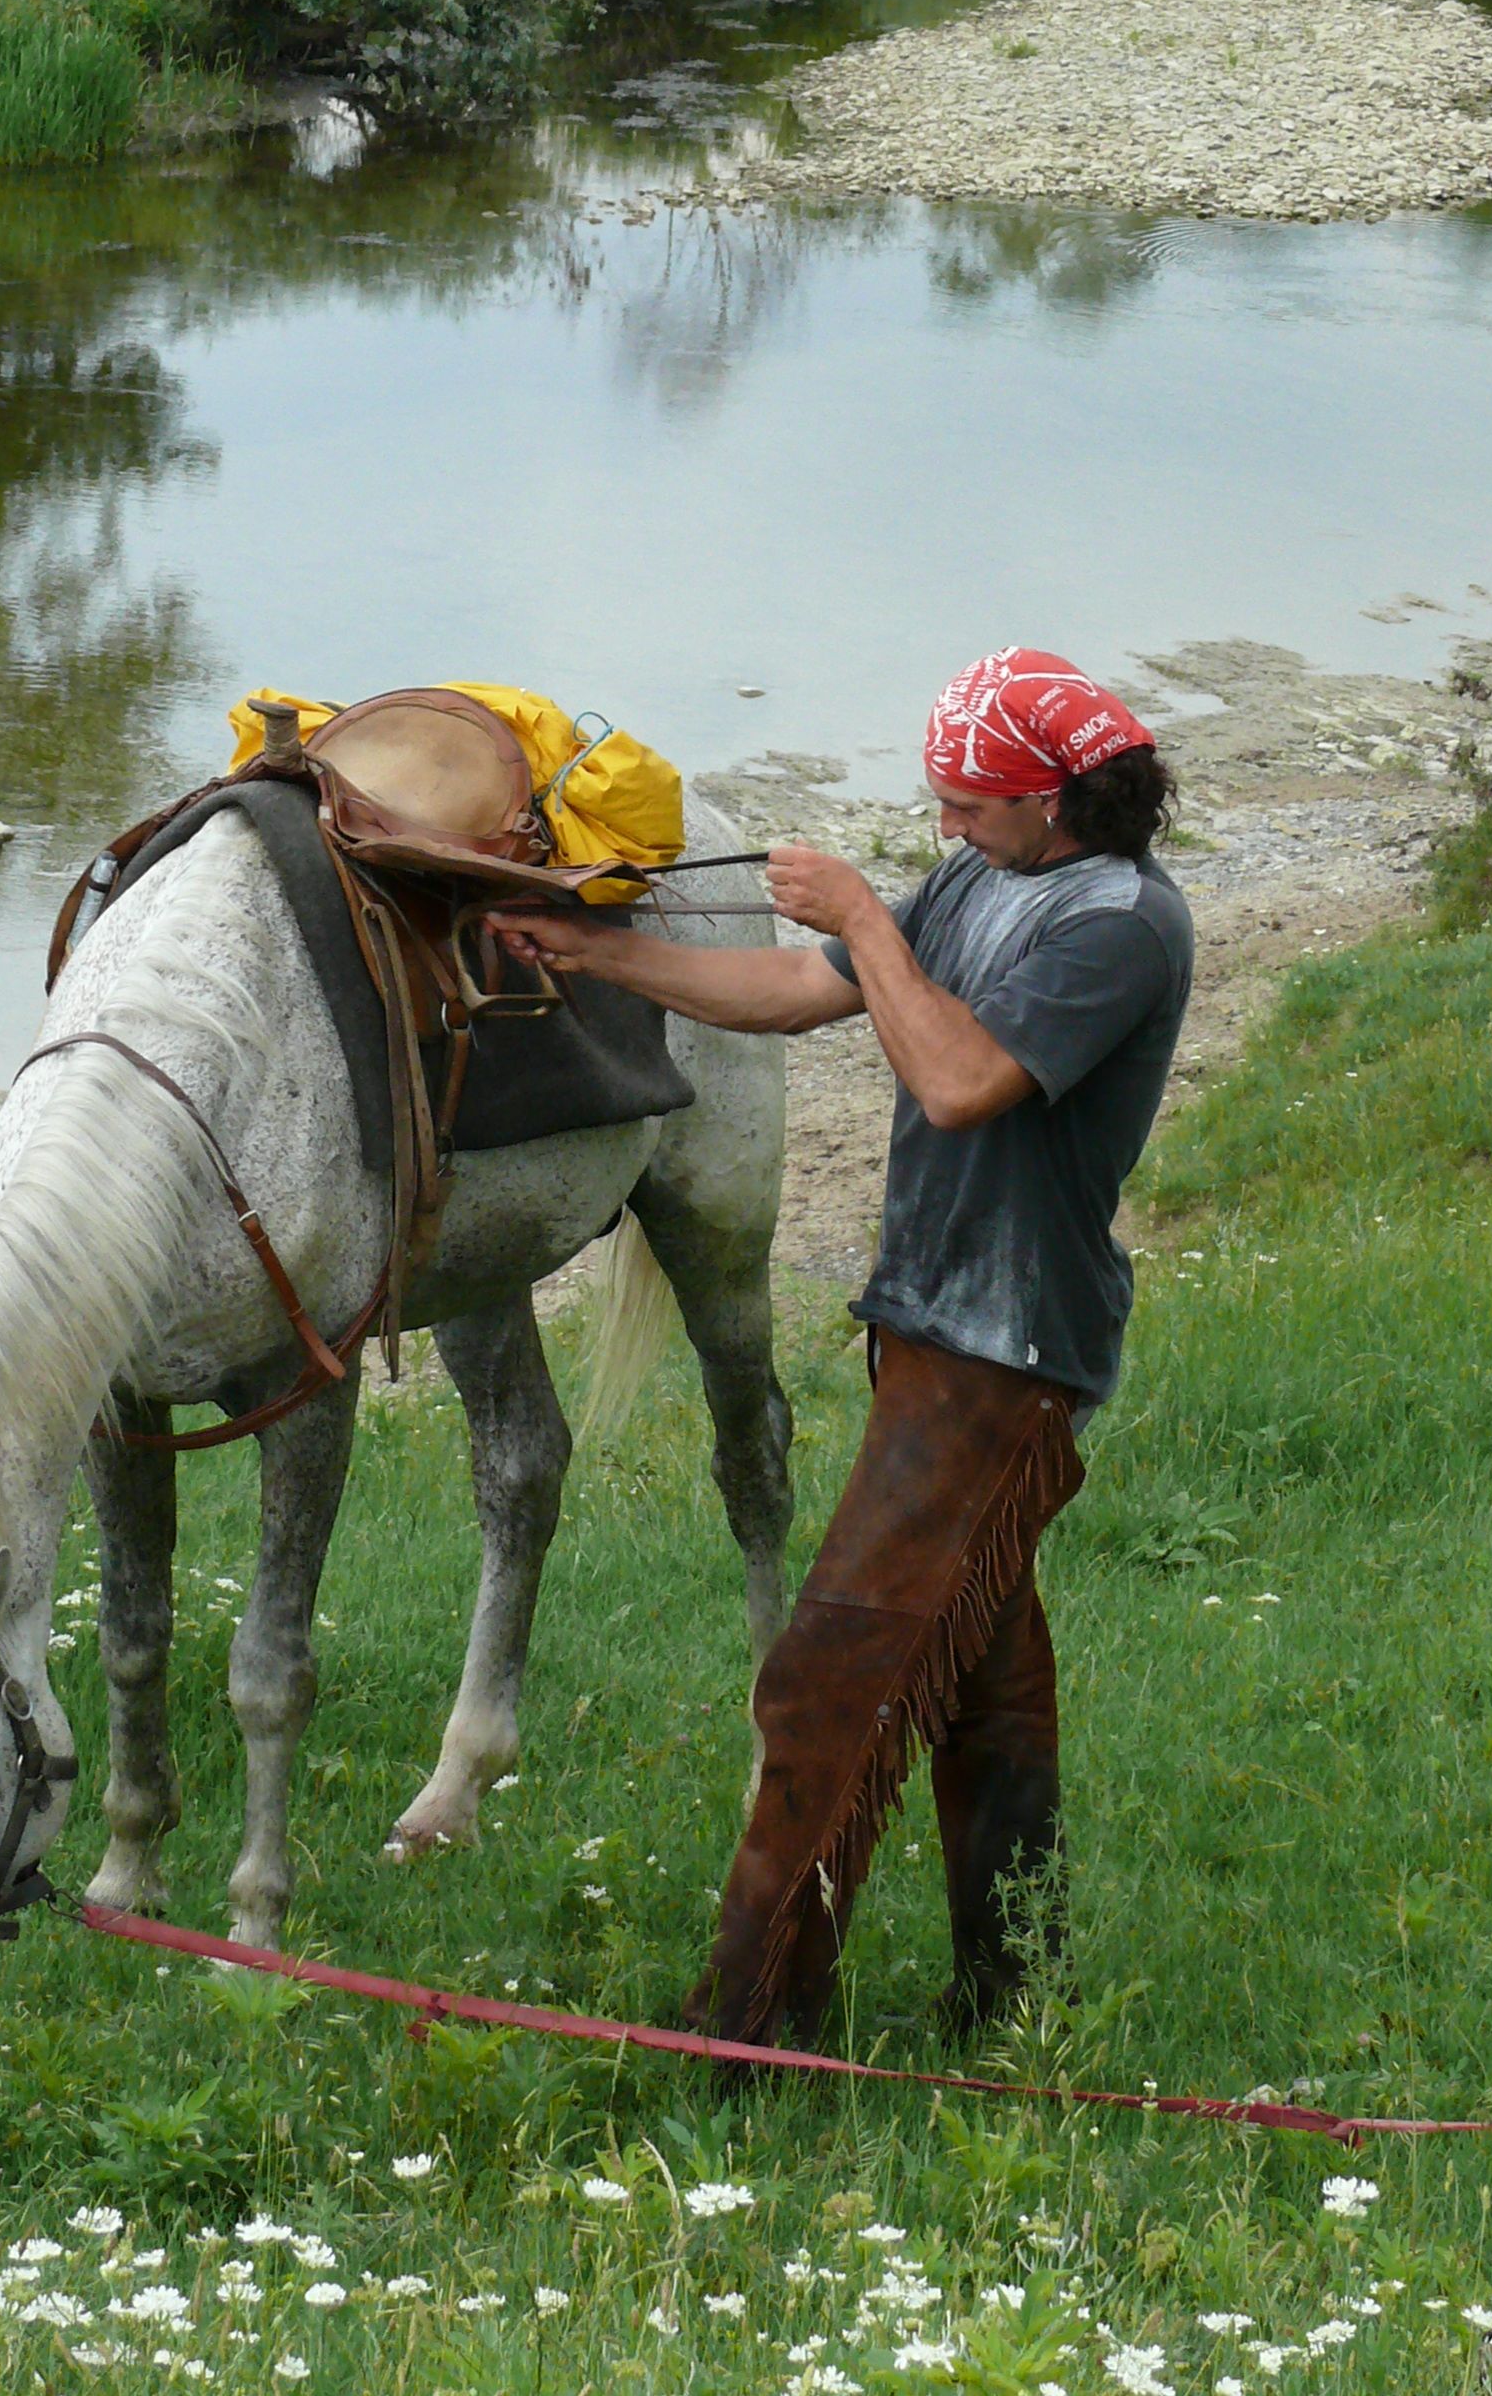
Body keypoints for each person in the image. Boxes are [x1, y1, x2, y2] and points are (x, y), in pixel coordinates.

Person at [489, 646, 1194, 2045]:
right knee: (984, 1676)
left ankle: (751, 2032)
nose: (949, 829)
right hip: (931, 1332)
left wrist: (873, 921)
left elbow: (958, 1081)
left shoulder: (1120, 924)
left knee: (824, 1684)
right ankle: (1016, 1991)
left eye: (970, 807)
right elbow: (802, 994)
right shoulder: (986, 879)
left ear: (1056, 802)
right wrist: (601, 954)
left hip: (1005, 1357)